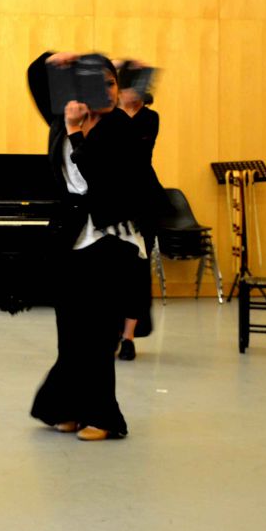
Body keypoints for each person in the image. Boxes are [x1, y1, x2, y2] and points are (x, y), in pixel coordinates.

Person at [26, 51, 163, 441]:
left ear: (120, 90)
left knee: (99, 337)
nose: (104, 89)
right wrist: (54, 58)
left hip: (114, 242)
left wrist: (75, 131)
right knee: (70, 333)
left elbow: (99, 172)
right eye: (95, 82)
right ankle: (67, 408)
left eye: (111, 82)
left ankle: (103, 417)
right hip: (74, 239)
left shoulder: (127, 126)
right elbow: (37, 76)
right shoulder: (64, 118)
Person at [116, 64, 160, 361]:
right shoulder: (111, 115)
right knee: (112, 270)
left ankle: (129, 337)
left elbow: (134, 151)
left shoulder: (150, 118)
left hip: (143, 199)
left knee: (137, 271)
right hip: (114, 199)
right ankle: (110, 332)